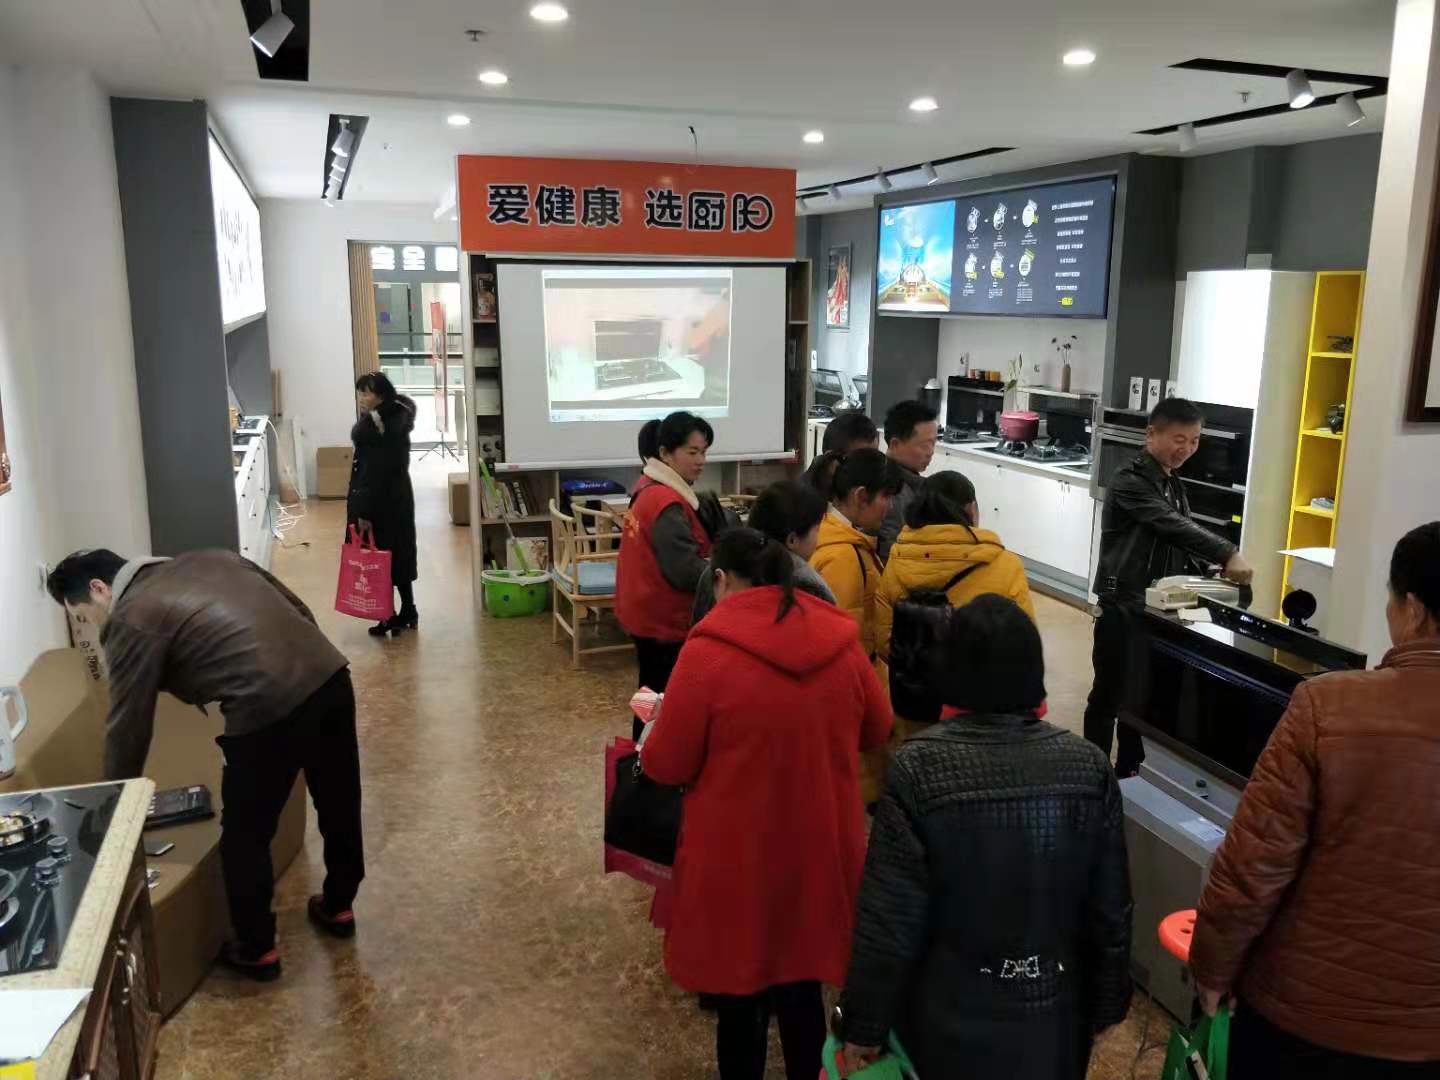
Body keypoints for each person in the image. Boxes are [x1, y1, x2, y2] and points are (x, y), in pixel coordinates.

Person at [835, 595, 1132, 1079]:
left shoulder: (918, 768)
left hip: (946, 1022)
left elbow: (890, 919)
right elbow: (1109, 908)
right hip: (1054, 1020)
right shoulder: (1089, 767)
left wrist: (864, 1025)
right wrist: (1107, 1004)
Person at [1189, 522, 1440, 1078]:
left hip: (1305, 1020)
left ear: (1415, 610)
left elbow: (1254, 864)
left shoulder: (1327, 706)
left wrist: (1211, 969)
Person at [45, 549, 365, 981]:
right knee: (339, 799)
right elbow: (298, 610)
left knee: (246, 835)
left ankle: (257, 948)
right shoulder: (216, 558)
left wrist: (114, 805)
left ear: (99, 589)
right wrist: (307, 671)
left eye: (84, 616)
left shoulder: (131, 617)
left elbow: (128, 726)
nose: (91, 625)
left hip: (263, 706)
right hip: (330, 678)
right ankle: (339, 905)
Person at [642, 528, 893, 1080]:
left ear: (721, 580)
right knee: (802, 987)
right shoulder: (840, 642)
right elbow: (877, 727)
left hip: (736, 854)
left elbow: (666, 764)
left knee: (739, 999)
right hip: (818, 846)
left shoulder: (706, 653)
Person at [1084, 397, 1254, 776]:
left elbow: (1177, 540)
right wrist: (1228, 552)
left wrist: (1208, 568)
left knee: (1139, 699)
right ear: (1151, 434)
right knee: (1109, 697)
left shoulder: (1171, 481)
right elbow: (1170, 524)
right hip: (1122, 604)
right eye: (1180, 439)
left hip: (1155, 607)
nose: (1187, 449)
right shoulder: (1129, 481)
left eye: (1194, 441)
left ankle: (1129, 771)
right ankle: (1093, 774)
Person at [875, 470, 1036, 741]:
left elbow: (884, 640)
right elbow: (1024, 643)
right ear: (971, 509)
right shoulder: (1004, 564)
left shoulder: (898, 559)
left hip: (917, 708)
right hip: (982, 713)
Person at [616, 412, 728, 736]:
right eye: (692, 452)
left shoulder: (646, 486)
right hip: (663, 620)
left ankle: (639, 747)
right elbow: (684, 571)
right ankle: (645, 753)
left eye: (704, 452)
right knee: (662, 698)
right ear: (665, 453)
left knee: (648, 690)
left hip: (642, 612)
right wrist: (727, 574)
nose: (701, 461)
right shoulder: (666, 502)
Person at [692, 480, 835, 623]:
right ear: (792, 540)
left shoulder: (716, 570)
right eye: (816, 529)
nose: (819, 537)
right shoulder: (808, 586)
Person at [810, 449, 904, 662]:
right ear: (861, 496)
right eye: (886, 496)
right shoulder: (842, 556)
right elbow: (840, 643)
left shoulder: (826, 532)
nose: (890, 506)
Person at [348, 372, 418, 636]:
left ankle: (387, 615)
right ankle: (408, 610)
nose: (361, 399)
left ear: (381, 395)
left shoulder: (375, 428)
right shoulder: (396, 420)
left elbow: (372, 473)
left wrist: (363, 511)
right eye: (360, 393)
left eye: (366, 393)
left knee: (379, 558)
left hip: (377, 501)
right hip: (399, 497)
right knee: (399, 554)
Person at [876, 399, 939, 562]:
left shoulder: (912, 484)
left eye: (934, 443)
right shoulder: (892, 492)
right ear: (895, 444)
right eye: (924, 445)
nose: (931, 452)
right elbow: (889, 554)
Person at [806, 412, 882, 496]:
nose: (871, 469)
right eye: (862, 461)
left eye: (875, 459)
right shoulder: (804, 499)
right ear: (833, 460)